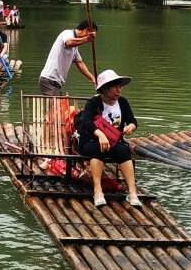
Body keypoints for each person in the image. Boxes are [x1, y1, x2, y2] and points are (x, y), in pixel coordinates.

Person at [76, 69, 142, 208]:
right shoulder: (94, 103)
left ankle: (132, 192)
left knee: (124, 151)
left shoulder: (123, 102)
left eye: (120, 87)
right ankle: (98, 191)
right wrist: (99, 134)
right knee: (97, 149)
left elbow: (133, 121)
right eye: (115, 87)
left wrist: (131, 126)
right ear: (105, 89)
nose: (119, 90)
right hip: (92, 141)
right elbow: (85, 123)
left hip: (114, 141)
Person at [38, 20, 97, 95]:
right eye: (90, 34)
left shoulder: (75, 47)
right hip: (49, 79)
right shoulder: (67, 33)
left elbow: (80, 63)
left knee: (58, 105)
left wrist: (92, 79)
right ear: (86, 30)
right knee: (56, 106)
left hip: (56, 82)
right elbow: (69, 43)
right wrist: (87, 39)